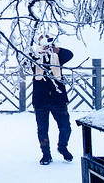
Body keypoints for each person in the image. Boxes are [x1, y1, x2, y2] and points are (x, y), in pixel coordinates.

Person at [31, 34, 74, 165]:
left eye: (48, 41)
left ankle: (62, 147)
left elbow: (70, 54)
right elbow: (24, 60)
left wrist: (57, 50)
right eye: (42, 41)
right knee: (43, 129)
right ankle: (46, 154)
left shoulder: (58, 56)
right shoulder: (34, 56)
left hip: (58, 98)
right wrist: (37, 51)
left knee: (66, 127)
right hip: (40, 99)